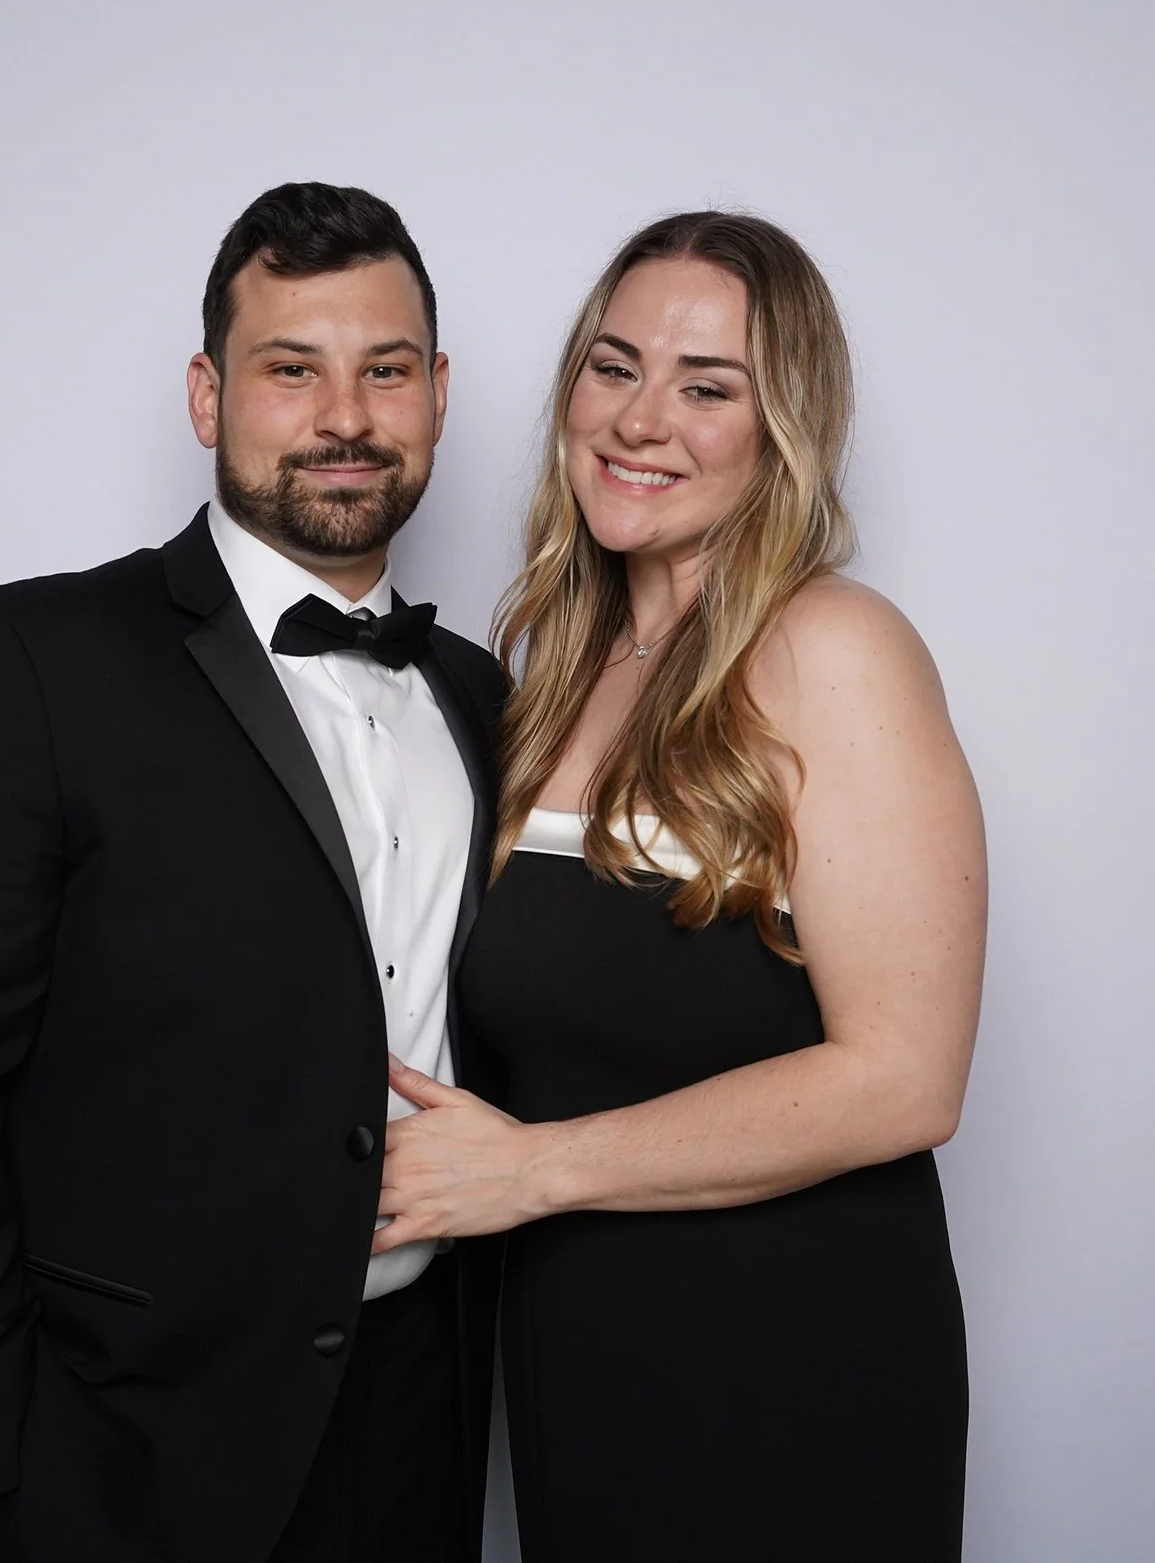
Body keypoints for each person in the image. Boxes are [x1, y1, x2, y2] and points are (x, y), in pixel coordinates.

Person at [0, 182, 504, 1563]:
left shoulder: (489, 699)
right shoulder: (26, 663)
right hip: (121, 1454)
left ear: (437, 394)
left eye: (385, 370)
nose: (345, 417)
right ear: (208, 394)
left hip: (422, 1425)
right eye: (289, 368)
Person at [373, 212, 984, 1560]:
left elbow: (904, 1078)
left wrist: (533, 1170)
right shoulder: (549, 678)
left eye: (709, 388)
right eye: (614, 366)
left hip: (789, 1359)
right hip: (580, 1353)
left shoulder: (833, 648)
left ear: (783, 430)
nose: (643, 418)